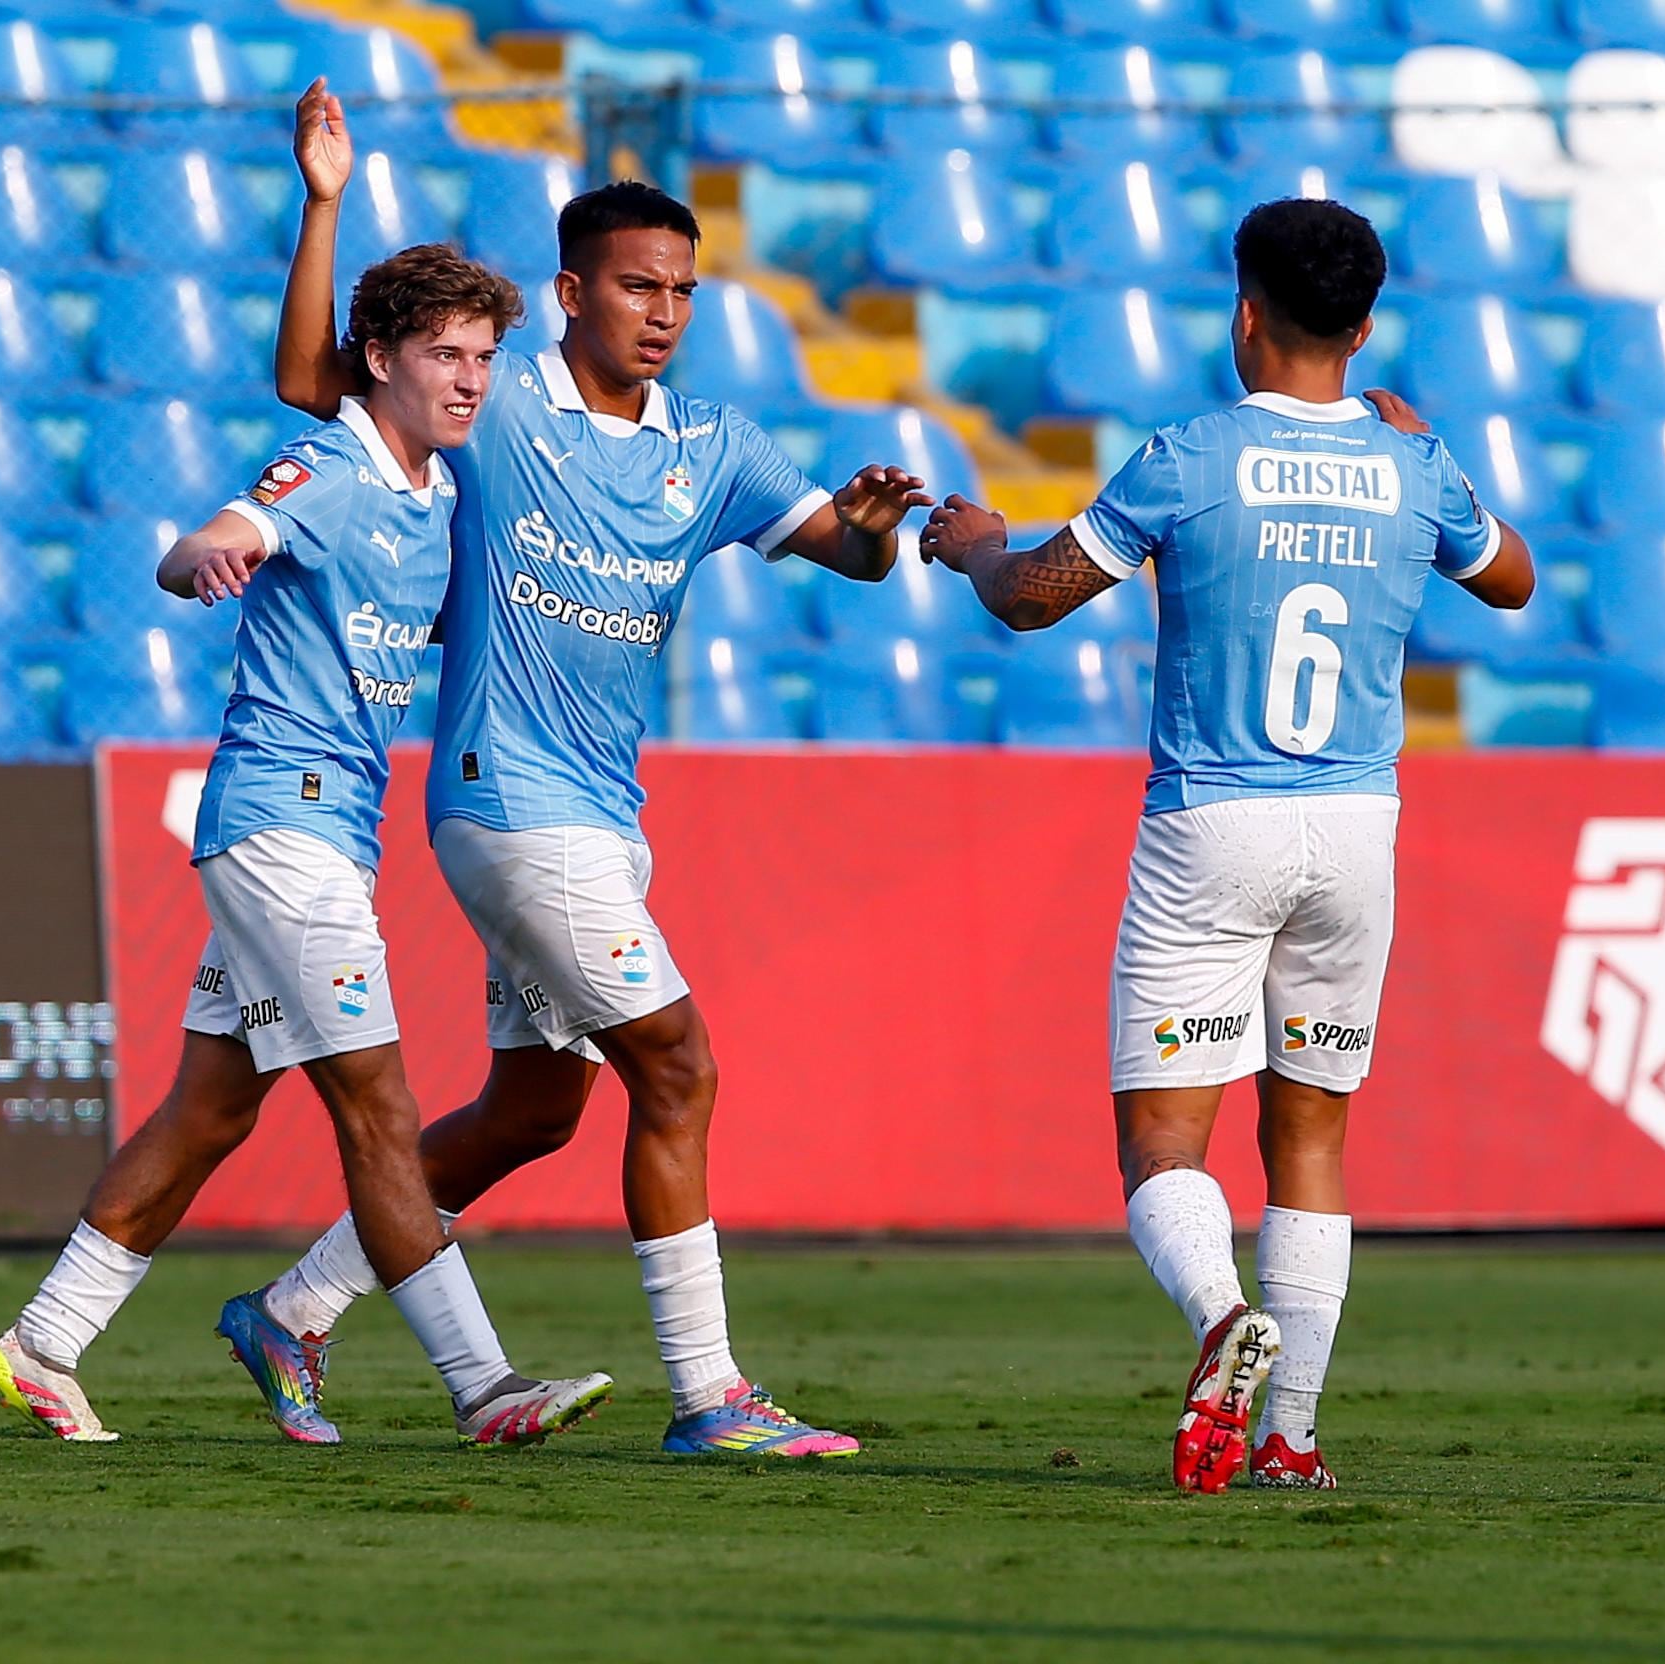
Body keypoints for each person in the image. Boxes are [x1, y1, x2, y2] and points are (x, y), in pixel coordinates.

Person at [247, 80, 930, 1458]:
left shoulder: (713, 445)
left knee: (534, 1108)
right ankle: (711, 1396)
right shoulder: (497, 403)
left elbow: (851, 557)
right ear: (570, 292)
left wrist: (870, 527)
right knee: (677, 1066)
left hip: (605, 816)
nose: (664, 311)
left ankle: (291, 1309)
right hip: (507, 801)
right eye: (636, 286)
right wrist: (325, 204)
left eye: (681, 290)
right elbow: (314, 384)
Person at [919, 198, 1535, 1494]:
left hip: (1213, 821)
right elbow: (1512, 580)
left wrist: (977, 547)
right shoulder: (1413, 466)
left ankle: (1220, 1318)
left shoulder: (1191, 455)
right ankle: (1292, 1439)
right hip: (1358, 828)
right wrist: (1433, 457)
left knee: (1162, 1143)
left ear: (1245, 313)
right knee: (1311, 1139)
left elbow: (1033, 601)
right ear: (1364, 329)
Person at [0, 244, 612, 1448]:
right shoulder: (331, 465)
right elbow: (197, 545)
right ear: (378, 359)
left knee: (211, 1108)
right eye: (444, 354)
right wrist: (207, 557)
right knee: (380, 1106)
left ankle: (43, 1342)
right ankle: (484, 1385)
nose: (470, 379)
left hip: (328, 828)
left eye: (484, 357)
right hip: (282, 823)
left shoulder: (441, 491)